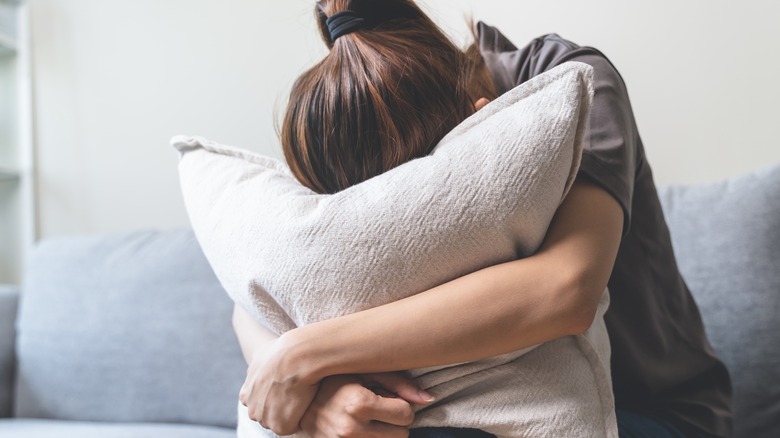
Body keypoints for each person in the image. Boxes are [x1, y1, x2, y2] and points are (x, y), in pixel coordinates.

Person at [232, 1, 733, 437]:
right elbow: (255, 295)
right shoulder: (347, 119)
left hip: (653, 413)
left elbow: (566, 288)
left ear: (482, 122)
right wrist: (310, 391)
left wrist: (306, 356)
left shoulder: (568, 80)